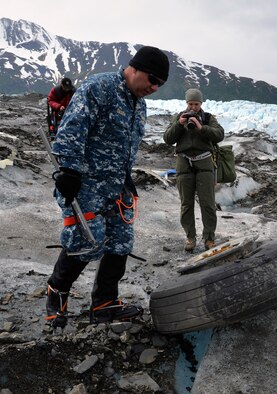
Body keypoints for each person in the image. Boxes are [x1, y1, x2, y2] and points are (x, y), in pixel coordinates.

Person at [45, 46, 169, 328]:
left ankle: (104, 303)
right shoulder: (100, 87)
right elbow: (72, 128)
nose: (154, 87)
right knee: (87, 241)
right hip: (86, 183)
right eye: (152, 80)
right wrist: (69, 170)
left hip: (117, 186)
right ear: (135, 68)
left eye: (159, 84)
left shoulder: (140, 103)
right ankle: (56, 292)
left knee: (121, 242)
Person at [163, 88, 224, 252]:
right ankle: (190, 237)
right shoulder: (179, 117)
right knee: (186, 204)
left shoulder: (208, 118)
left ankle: (209, 238)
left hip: (204, 163)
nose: (193, 107)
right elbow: (168, 138)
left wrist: (201, 127)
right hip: (184, 163)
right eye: (190, 103)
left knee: (208, 203)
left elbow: (219, 135)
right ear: (186, 103)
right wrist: (179, 124)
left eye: (196, 104)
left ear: (201, 103)